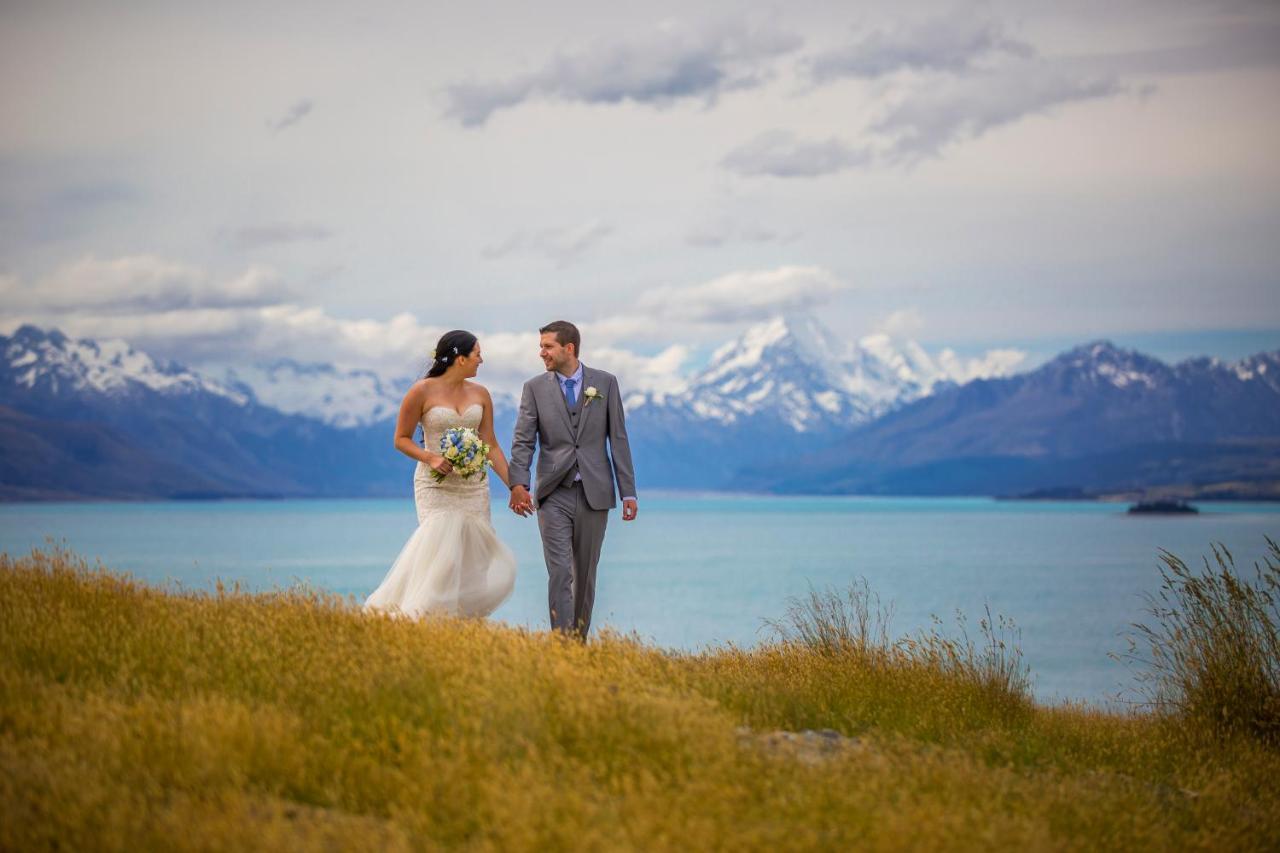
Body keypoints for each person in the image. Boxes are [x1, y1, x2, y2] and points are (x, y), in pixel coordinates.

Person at [364, 330, 517, 619]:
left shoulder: (480, 393)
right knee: (441, 556)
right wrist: (430, 457)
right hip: (436, 486)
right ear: (460, 359)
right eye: (477, 354)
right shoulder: (420, 391)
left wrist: (515, 487)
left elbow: (490, 444)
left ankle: (466, 624)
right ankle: (419, 619)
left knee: (475, 559)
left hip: (473, 487)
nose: (481, 360)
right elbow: (401, 439)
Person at [508, 320, 638, 639]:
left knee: (586, 574)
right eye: (541, 347)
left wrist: (628, 493)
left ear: (569, 348)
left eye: (547, 346)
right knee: (560, 572)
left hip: (596, 492)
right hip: (553, 494)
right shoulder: (534, 388)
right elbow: (524, 440)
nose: (542, 353)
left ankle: (578, 646)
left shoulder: (606, 383)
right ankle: (562, 645)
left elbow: (618, 439)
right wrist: (518, 483)